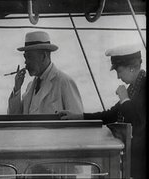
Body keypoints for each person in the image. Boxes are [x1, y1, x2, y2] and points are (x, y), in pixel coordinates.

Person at [58, 44, 146, 179]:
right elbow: (111, 115)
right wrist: (78, 116)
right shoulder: (133, 89)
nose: (118, 77)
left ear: (132, 68)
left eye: (119, 71)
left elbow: (137, 121)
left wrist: (124, 99)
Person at [8, 31, 84, 115]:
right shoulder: (30, 87)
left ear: (44, 56)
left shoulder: (64, 82)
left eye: (29, 57)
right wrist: (17, 88)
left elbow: (77, 119)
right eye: (25, 57)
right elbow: (14, 118)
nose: (26, 62)